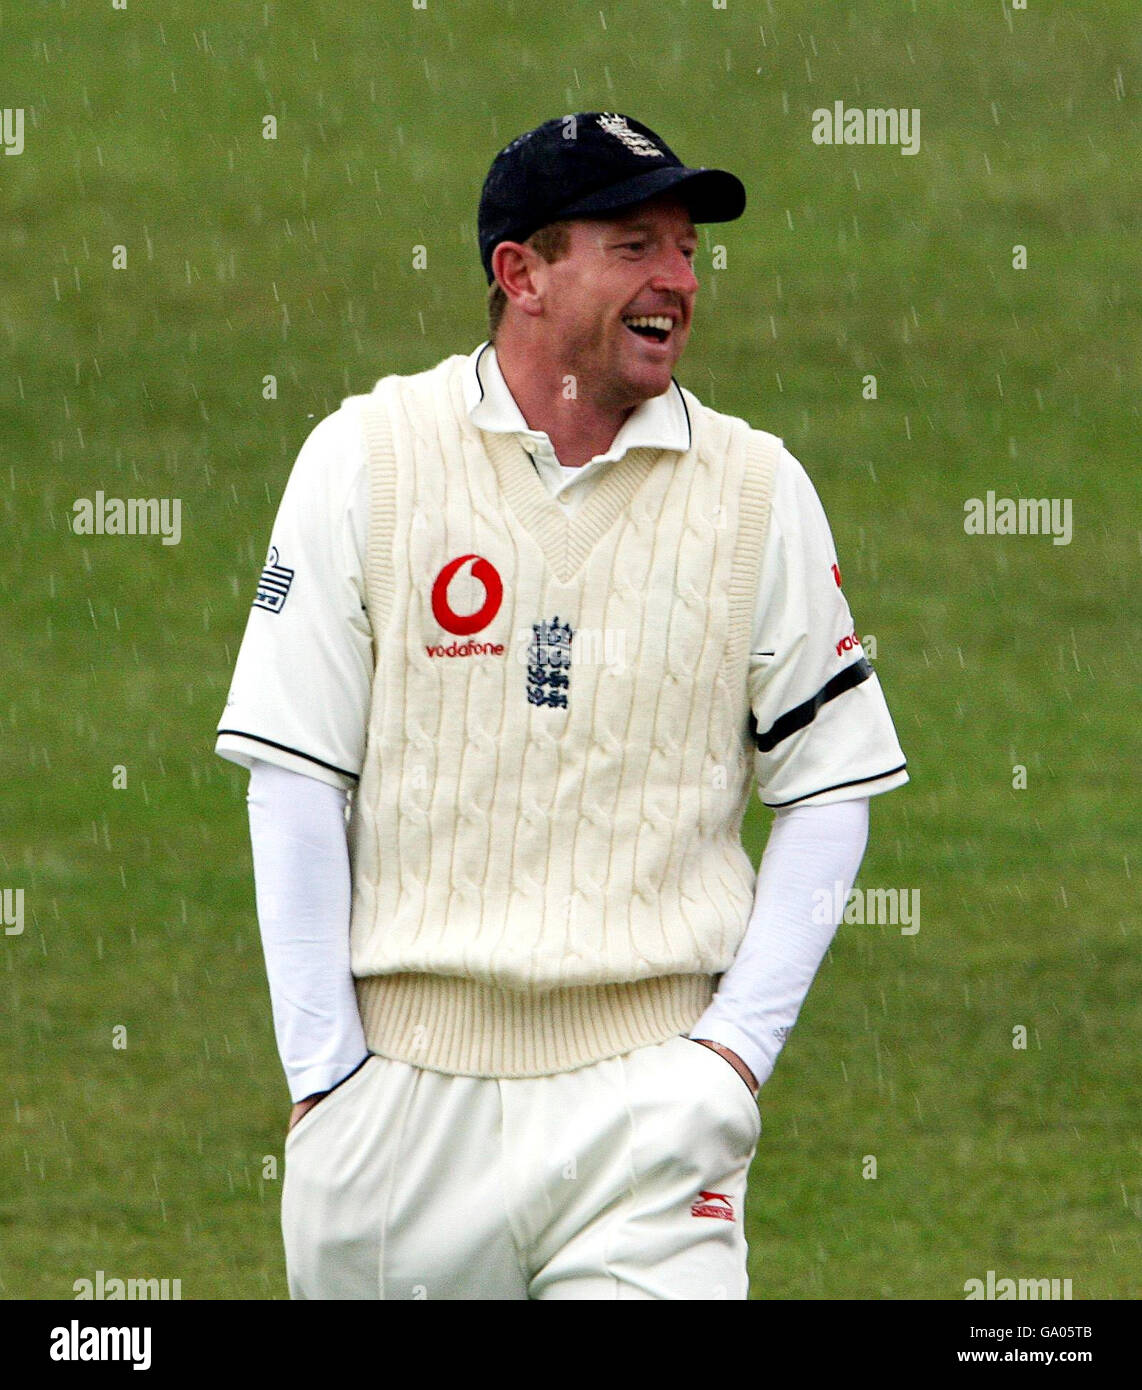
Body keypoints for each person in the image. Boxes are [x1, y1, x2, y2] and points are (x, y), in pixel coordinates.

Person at [215, 111, 908, 1300]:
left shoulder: (755, 490)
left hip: (647, 1120)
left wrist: (730, 1060)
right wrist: (326, 1076)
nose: (678, 283)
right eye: (636, 245)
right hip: (398, 1120)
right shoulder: (366, 459)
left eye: (688, 251)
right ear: (519, 273)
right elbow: (293, 774)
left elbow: (830, 781)